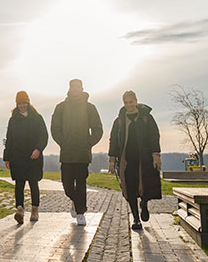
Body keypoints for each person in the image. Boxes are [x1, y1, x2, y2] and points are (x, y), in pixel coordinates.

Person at [51, 79, 103, 226]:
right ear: (69, 89)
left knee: (81, 184)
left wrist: (88, 143)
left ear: (82, 88)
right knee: (67, 185)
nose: (76, 89)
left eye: (78, 87)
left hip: (82, 154)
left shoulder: (90, 108)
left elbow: (98, 129)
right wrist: (63, 142)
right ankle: (75, 201)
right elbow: (55, 128)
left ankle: (81, 212)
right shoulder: (60, 107)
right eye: (73, 87)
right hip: (67, 153)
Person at [108, 90, 162, 230]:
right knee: (130, 189)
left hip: (144, 158)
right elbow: (113, 140)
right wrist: (112, 160)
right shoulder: (119, 120)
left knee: (145, 186)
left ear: (136, 101)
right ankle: (136, 219)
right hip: (127, 160)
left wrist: (156, 155)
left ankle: (144, 204)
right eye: (126, 103)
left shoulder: (147, 118)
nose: (129, 105)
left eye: (131, 102)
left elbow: (154, 136)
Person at [3, 91, 49, 224]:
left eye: (24, 103)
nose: (22, 106)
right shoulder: (13, 120)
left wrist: (38, 149)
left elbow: (43, 136)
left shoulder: (37, 118)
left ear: (28, 103)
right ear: (16, 104)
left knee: (33, 183)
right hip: (17, 156)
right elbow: (9, 139)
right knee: (19, 184)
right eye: (19, 103)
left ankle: (35, 210)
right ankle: (20, 210)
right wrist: (7, 157)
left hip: (33, 156)